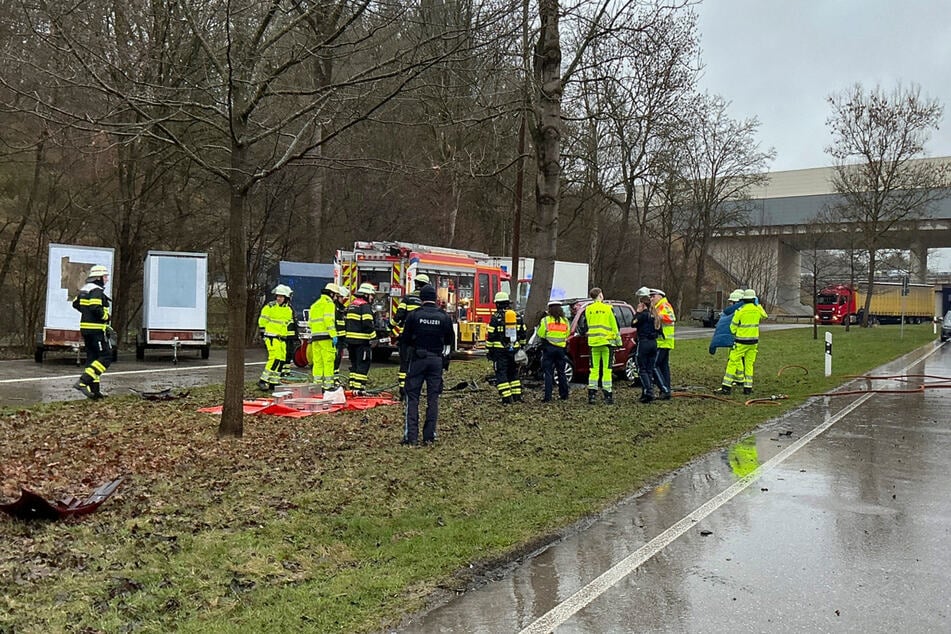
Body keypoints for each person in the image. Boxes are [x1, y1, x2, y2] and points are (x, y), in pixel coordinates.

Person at [400, 285, 454, 446]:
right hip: (436, 360)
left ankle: (411, 437)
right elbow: (450, 340)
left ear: (421, 298)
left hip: (417, 359)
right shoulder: (443, 316)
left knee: (412, 398)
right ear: (435, 298)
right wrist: (445, 359)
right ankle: (429, 436)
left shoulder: (414, 315)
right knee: (433, 398)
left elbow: (405, 339)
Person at [72, 264, 113, 399]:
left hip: (86, 330)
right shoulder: (96, 291)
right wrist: (106, 317)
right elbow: (95, 307)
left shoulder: (85, 290)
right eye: (105, 276)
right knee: (106, 357)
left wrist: (86, 313)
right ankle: (84, 381)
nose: (106, 279)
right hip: (96, 331)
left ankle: (95, 392)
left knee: (93, 359)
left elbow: (76, 304)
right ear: (99, 277)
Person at [718, 288, 768, 395]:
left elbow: (732, 328)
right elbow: (765, 315)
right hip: (753, 342)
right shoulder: (757, 310)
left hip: (741, 342)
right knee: (749, 364)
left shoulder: (740, 311)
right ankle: (748, 388)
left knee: (732, 362)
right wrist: (758, 305)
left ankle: (726, 387)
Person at [391, 273, 431, 400]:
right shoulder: (427, 301)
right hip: (422, 339)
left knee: (404, 364)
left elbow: (399, 315)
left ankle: (403, 391)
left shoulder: (407, 298)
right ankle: (415, 390)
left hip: (406, 338)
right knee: (418, 364)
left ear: (416, 284)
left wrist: (389, 327)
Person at [486, 291, 527, 404]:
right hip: (514, 350)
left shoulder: (495, 318)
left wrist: (489, 350)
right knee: (513, 372)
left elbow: (491, 336)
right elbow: (523, 333)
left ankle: (506, 398)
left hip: (500, 352)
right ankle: (517, 396)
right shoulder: (517, 316)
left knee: (501, 373)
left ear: (497, 304)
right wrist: (521, 346)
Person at [583, 287, 621, 404]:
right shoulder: (608, 308)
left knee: (593, 370)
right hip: (606, 343)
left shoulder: (588, 309)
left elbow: (587, 325)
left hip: (593, 343)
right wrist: (618, 341)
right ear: (600, 295)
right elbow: (614, 326)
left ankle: (592, 395)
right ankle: (607, 395)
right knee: (607, 369)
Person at [257, 284, 295, 391]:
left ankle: (274, 381)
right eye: (278, 296)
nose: (279, 298)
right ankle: (263, 381)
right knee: (274, 358)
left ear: (286, 298)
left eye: (281, 296)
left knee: (281, 359)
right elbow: (262, 322)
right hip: (271, 337)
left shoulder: (288, 310)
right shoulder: (270, 307)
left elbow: (286, 324)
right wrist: (264, 334)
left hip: (282, 338)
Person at [710, 289, 746, 388]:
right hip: (741, 339)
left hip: (739, 339)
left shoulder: (739, 312)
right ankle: (740, 378)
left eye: (732, 302)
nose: (730, 304)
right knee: (737, 359)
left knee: (736, 359)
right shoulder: (744, 310)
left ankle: (739, 379)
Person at [536, 298, 570, 402]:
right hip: (561, 349)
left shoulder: (545, 320)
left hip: (549, 348)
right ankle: (564, 395)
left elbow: (540, 334)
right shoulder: (565, 321)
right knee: (561, 372)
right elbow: (568, 333)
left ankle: (548, 397)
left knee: (548, 373)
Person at [345, 282, 377, 391]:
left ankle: (353, 387)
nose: (372, 298)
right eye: (371, 295)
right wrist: (374, 337)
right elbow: (367, 323)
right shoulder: (365, 306)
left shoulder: (352, 305)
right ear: (366, 295)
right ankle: (359, 390)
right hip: (362, 342)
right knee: (362, 364)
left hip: (350, 342)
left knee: (354, 365)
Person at [632, 288, 662, 403]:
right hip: (653, 343)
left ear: (643, 304)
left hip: (644, 343)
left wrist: (638, 312)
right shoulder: (654, 315)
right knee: (649, 369)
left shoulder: (643, 315)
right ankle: (646, 392)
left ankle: (649, 392)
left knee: (642, 369)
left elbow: (633, 323)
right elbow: (659, 330)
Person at [308, 282, 340, 390]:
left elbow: (310, 323)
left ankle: (317, 385)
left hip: (315, 338)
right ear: (331, 294)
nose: (336, 297)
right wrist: (334, 335)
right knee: (328, 361)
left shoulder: (315, 305)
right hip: (326, 338)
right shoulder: (329, 304)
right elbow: (328, 320)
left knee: (317, 362)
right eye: (336, 295)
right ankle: (328, 385)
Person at [650, 288, 676, 400]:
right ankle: (666, 389)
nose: (651, 298)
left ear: (660, 296)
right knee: (663, 366)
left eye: (653, 296)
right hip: (661, 341)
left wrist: (658, 316)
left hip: (663, 341)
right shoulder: (657, 306)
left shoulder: (664, 305)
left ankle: (664, 389)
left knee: (654, 365)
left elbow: (671, 318)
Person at [333, 286, 350, 385]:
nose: (342, 300)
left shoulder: (341, 308)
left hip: (341, 339)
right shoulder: (335, 308)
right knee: (335, 359)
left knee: (338, 359)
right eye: (341, 298)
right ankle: (334, 378)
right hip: (336, 338)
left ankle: (335, 377)